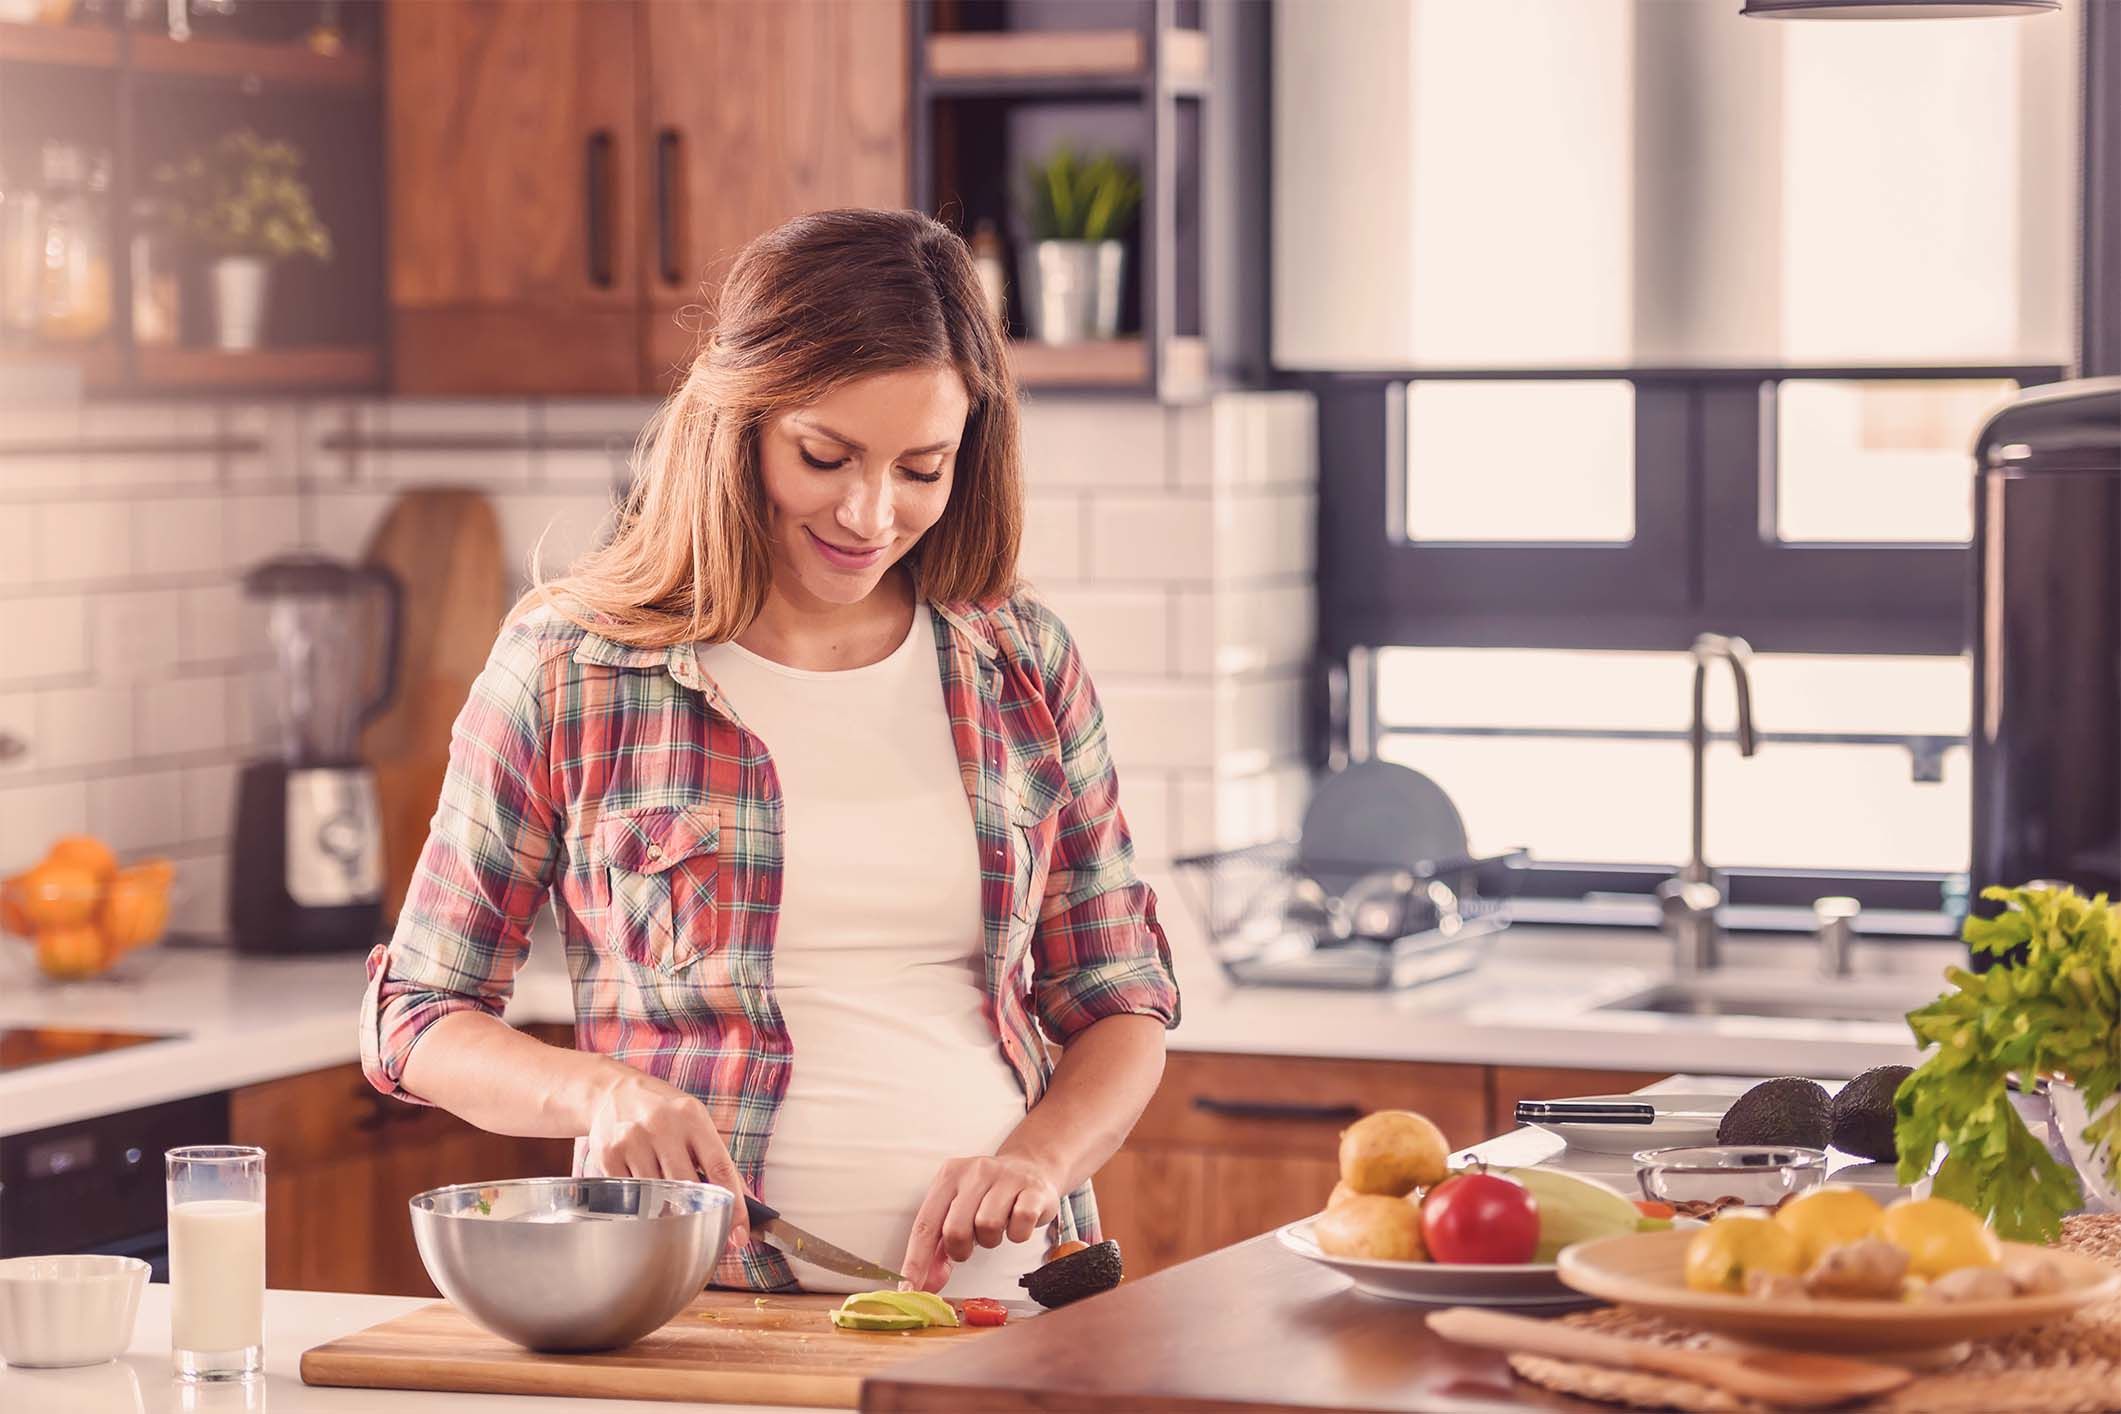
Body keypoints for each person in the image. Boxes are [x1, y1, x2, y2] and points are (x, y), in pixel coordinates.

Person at [359, 208, 1180, 1296]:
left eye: (922, 468)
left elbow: (1120, 997)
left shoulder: (1016, 659)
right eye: (826, 454)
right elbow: (413, 1016)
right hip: (701, 1308)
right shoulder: (572, 668)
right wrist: (598, 1094)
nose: (871, 512)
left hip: (1010, 1305)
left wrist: (1040, 1157)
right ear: (735, 422)